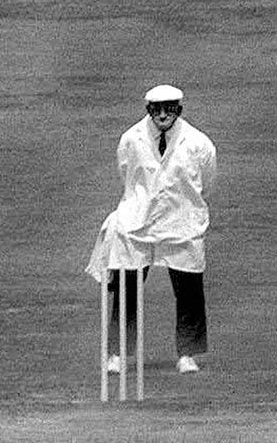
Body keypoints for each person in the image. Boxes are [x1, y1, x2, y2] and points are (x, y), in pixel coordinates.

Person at [86, 83, 218, 375]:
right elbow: (125, 173)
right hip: (137, 223)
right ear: (148, 110)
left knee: (189, 291)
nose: (163, 115)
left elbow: (207, 182)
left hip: (182, 222)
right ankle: (117, 353)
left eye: (169, 109)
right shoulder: (131, 139)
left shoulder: (199, 143)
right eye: (157, 110)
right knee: (127, 289)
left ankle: (187, 354)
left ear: (179, 110)